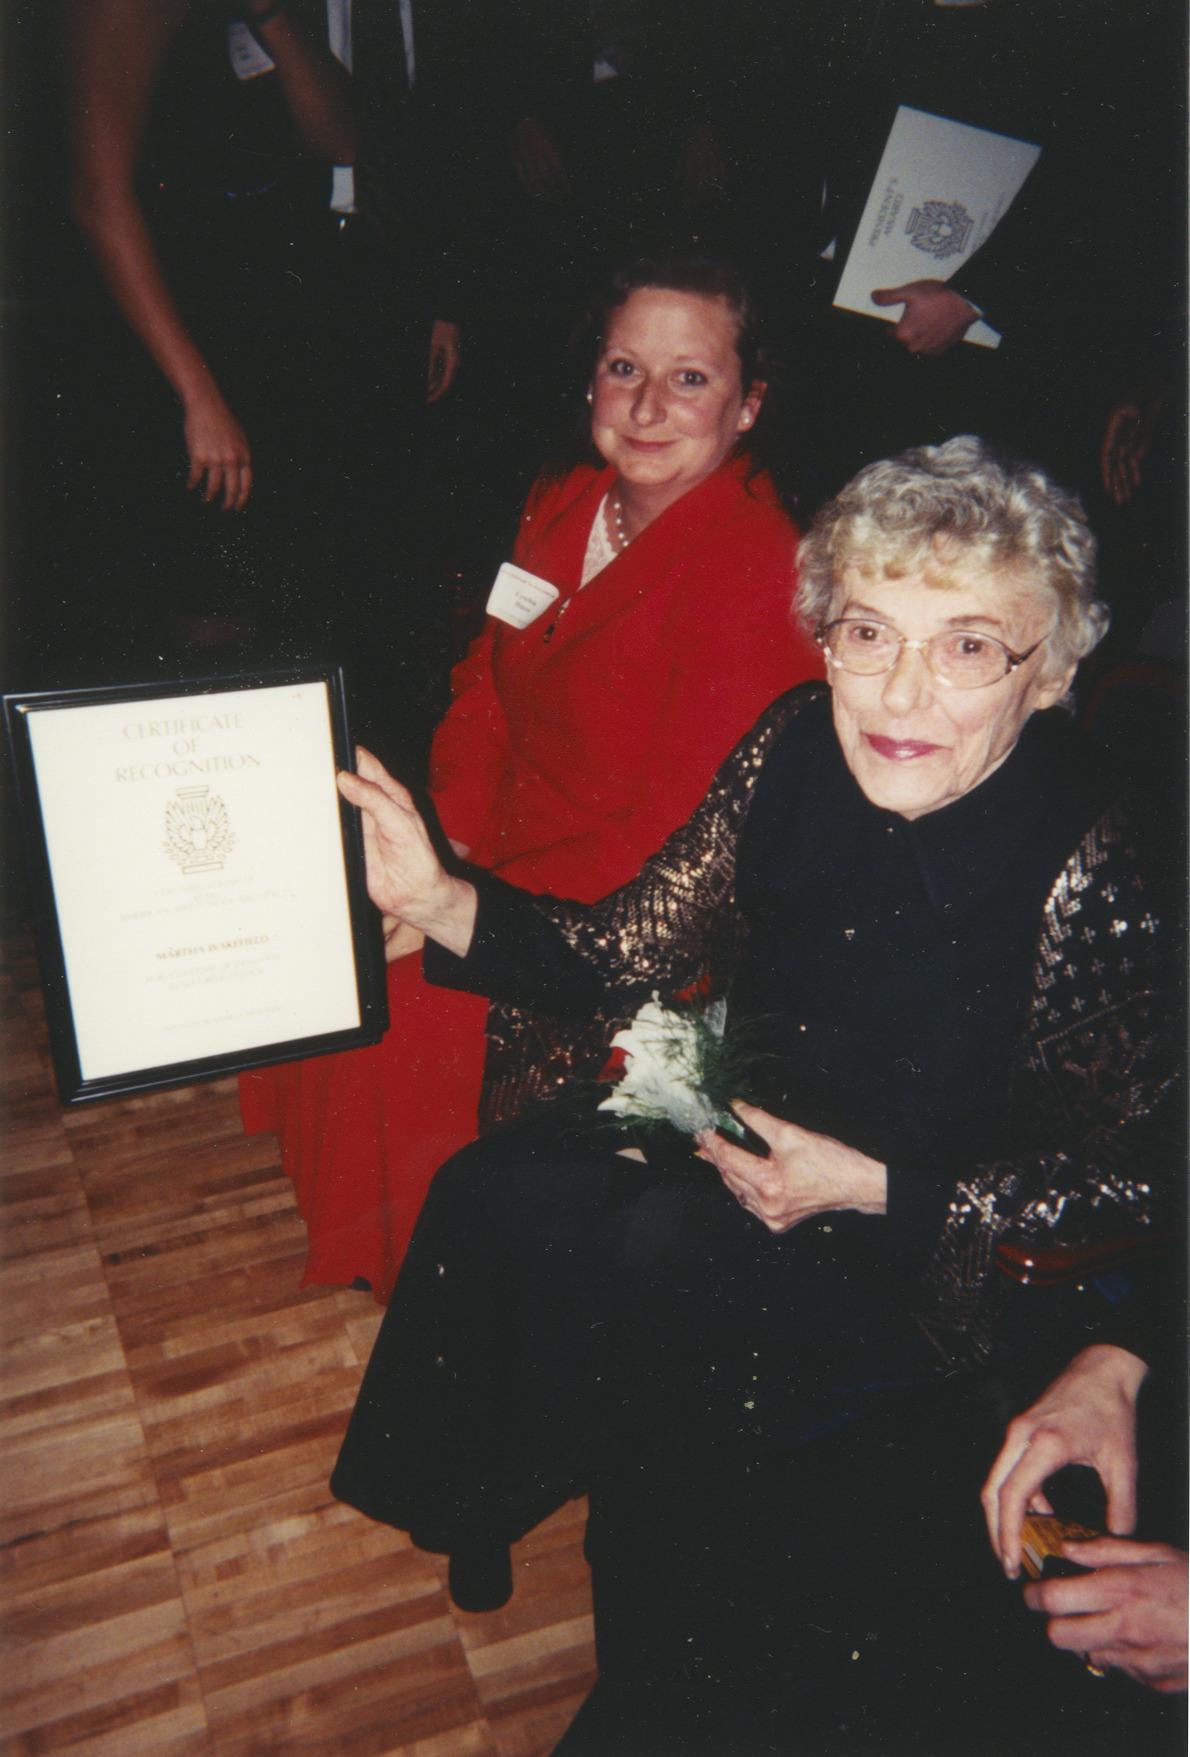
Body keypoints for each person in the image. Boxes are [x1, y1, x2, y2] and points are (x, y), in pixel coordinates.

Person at [328, 436, 1182, 1750]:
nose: (899, 688)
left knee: (707, 1440)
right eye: (865, 629)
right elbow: (627, 948)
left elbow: (1134, 1188)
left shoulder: (1105, 864)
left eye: (967, 647)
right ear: (823, 633)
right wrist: (439, 897)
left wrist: (873, 1191)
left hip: (936, 1250)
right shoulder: (793, 738)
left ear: (1050, 668)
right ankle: (490, 1502)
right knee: (497, 1198)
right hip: (741, 1101)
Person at [240, 253, 822, 1303]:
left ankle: (435, 1285)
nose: (645, 406)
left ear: (748, 404)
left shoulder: (758, 572)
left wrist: (466, 909)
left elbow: (675, 845)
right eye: (620, 368)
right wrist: (447, 841)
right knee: (323, 903)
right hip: (497, 846)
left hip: (628, 918)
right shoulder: (564, 499)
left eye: (688, 378)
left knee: (397, 998)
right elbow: (485, 680)